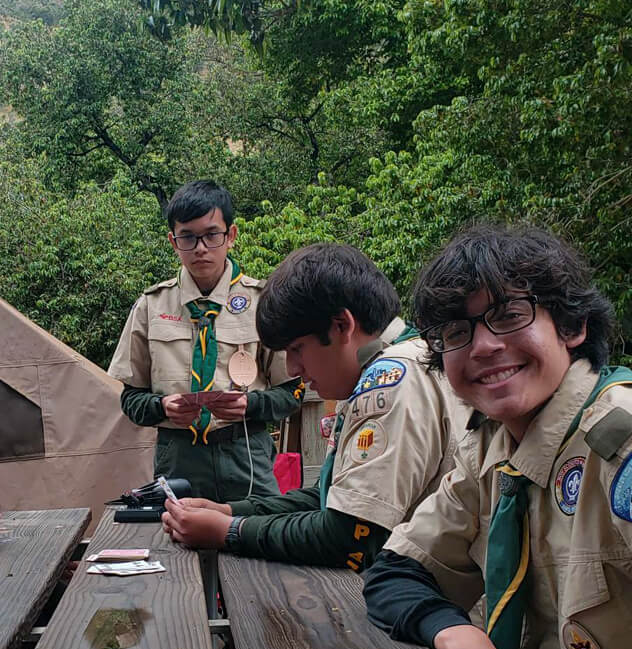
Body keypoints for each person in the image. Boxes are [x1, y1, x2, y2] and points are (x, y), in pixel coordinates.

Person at [363, 224, 631, 649]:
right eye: (457, 332)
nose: (483, 346)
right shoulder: (490, 451)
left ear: (571, 326)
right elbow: (395, 573)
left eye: (508, 314)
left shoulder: (618, 445)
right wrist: (462, 639)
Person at [163, 243, 461, 569]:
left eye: (297, 349)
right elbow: (326, 496)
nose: (291, 369)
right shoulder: (403, 360)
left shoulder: (391, 381)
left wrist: (230, 532)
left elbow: (350, 537)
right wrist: (230, 512)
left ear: (342, 326)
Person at [109, 180, 301, 503]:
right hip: (178, 456)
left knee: (258, 542)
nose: (200, 248)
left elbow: (294, 391)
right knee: (177, 547)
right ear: (173, 241)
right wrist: (161, 407)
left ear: (231, 236)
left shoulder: (261, 302)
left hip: (245, 450)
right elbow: (130, 399)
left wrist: (250, 405)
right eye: (188, 237)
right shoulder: (151, 306)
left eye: (212, 235)